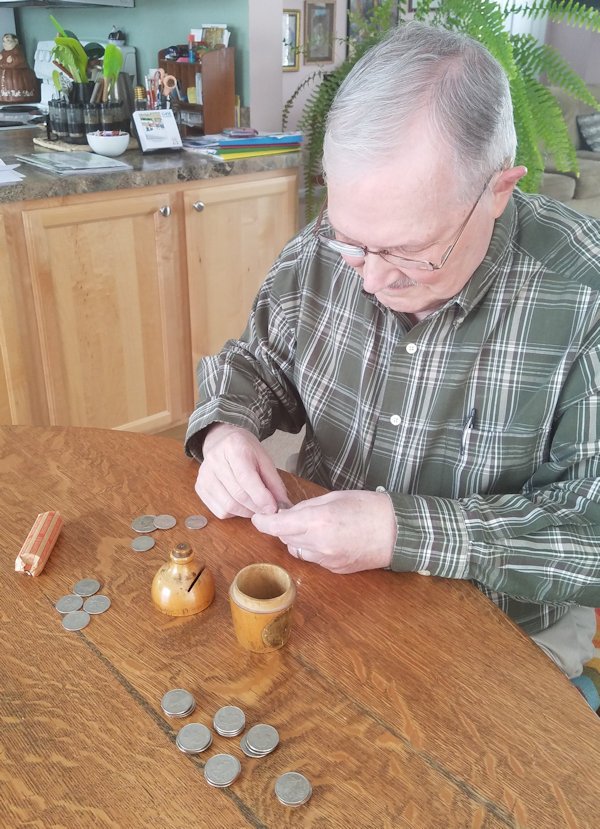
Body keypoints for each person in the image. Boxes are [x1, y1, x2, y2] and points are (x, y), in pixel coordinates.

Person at [186, 22, 600, 683]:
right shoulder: (327, 251)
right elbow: (260, 362)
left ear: (499, 189)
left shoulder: (585, 296)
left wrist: (400, 531)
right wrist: (225, 429)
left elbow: (590, 535)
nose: (372, 278)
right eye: (351, 238)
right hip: (324, 589)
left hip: (501, 633)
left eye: (411, 252)